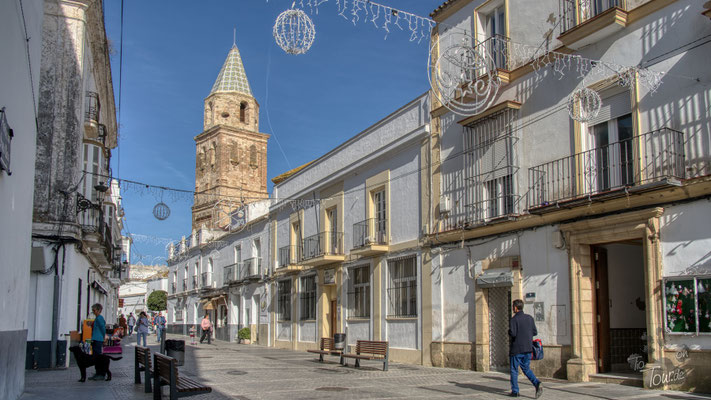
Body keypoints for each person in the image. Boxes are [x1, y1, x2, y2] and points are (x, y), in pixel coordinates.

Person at [508, 299, 543, 398]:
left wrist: (509, 332)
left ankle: (515, 391)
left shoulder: (514, 319)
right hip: (528, 348)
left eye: (513, 306)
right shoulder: (529, 318)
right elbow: (534, 332)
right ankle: (537, 383)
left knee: (514, 370)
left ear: (515, 307)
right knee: (526, 369)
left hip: (516, 349)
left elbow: (513, 333)